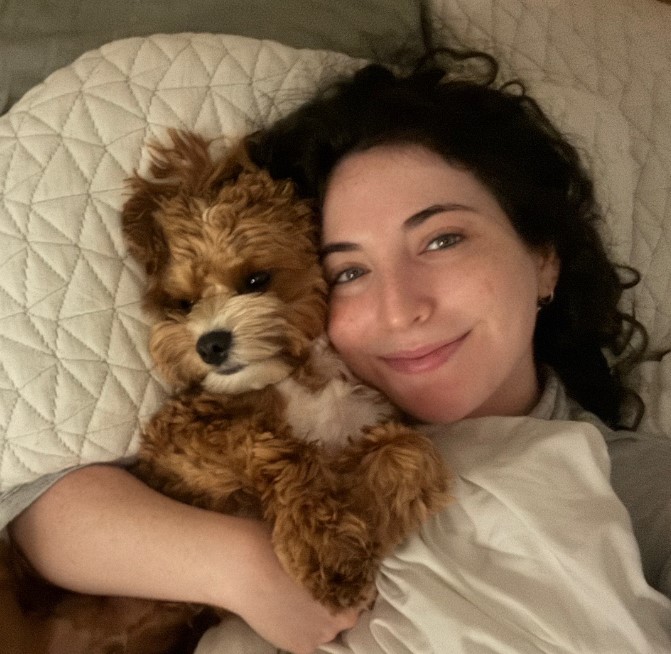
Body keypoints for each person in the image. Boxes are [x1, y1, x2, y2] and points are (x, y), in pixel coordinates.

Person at [6, 49, 671, 653]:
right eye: (349, 271)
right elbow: (47, 514)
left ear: (544, 258)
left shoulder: (633, 487)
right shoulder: (299, 418)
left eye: (442, 241)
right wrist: (241, 565)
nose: (400, 307)